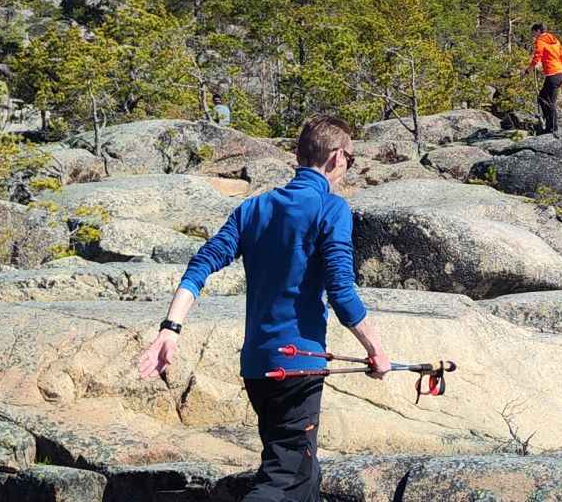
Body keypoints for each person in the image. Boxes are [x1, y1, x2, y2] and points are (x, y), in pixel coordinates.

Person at [136, 115, 391, 502]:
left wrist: (170, 329)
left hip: (257, 369)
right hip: (298, 366)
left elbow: (201, 264)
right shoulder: (331, 208)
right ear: (338, 156)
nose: (347, 167)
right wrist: (376, 349)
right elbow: (341, 292)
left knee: (304, 477)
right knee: (281, 480)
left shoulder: (253, 209)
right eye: (351, 160)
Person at [530, 22, 562, 135]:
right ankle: (550, 126)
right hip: (559, 73)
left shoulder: (541, 41)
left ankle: (551, 129)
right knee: (543, 98)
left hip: (552, 74)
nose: (534, 36)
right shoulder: (555, 40)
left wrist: (528, 70)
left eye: (534, 33)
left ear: (538, 31)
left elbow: (537, 55)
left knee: (548, 101)